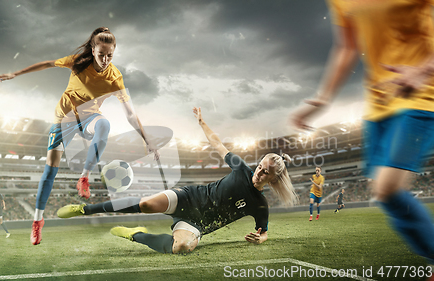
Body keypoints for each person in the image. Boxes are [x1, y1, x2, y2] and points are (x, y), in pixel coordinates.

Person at [291, 0, 434, 268]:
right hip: (379, 105)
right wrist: (323, 98)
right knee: (385, 193)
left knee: (387, 188)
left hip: (421, 95)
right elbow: (347, 46)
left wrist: (424, 70)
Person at [57, 107, 299, 254]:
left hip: (197, 224)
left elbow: (264, 231)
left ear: (274, 179)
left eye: (265, 172)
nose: (259, 172)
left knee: (181, 248)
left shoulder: (260, 205)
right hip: (189, 197)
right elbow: (217, 142)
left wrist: (261, 237)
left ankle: (135, 234)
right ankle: (84, 209)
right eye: (260, 166)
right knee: (146, 205)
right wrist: (202, 122)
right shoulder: (240, 168)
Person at [0, 27, 158, 245]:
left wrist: (148, 141)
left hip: (89, 118)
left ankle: (84, 177)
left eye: (110, 55)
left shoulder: (115, 77)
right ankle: (37, 221)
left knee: (105, 124)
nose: (105, 60)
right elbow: (47, 64)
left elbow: (130, 113)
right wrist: (15, 73)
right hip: (64, 120)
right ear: (93, 50)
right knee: (49, 171)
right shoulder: (77, 62)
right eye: (101, 54)